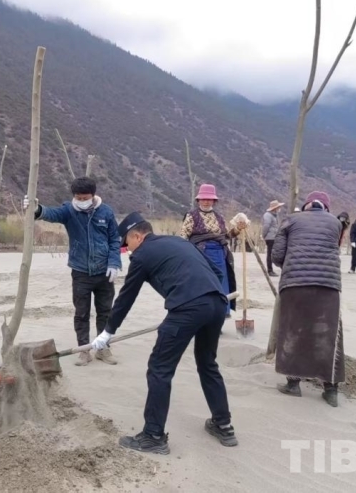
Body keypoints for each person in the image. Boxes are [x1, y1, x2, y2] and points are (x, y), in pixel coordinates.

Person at [91, 212, 238, 455]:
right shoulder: (179, 241)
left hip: (187, 309)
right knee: (208, 364)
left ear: (137, 236)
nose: (128, 251)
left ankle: (153, 436)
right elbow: (216, 271)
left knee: (159, 369)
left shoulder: (142, 255)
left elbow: (126, 297)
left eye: (127, 245)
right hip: (216, 304)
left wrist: (107, 332)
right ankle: (224, 426)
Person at [24, 177, 122, 366]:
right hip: (80, 272)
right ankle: (84, 350)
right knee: (81, 313)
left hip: (104, 272)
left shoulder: (106, 212)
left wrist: (114, 263)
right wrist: (36, 209)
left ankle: (103, 348)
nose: (81, 201)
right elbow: (51, 213)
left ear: (93, 196)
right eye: (78, 197)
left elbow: (114, 240)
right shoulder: (69, 210)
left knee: (105, 312)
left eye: (85, 198)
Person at [272, 191, 344, 407]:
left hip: (295, 283)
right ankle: (331, 390)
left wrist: (292, 265)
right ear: (326, 207)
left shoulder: (290, 220)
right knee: (329, 335)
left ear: (306, 205)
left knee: (294, 331)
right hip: (328, 285)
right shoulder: (336, 223)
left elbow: (277, 256)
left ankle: (293, 384)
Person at [179, 184, 239, 318]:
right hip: (200, 253)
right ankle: (202, 313)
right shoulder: (192, 216)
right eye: (203, 199)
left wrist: (238, 229)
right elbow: (183, 236)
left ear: (214, 201)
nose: (206, 202)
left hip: (219, 253)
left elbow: (226, 236)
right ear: (198, 200)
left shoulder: (219, 217)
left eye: (209, 199)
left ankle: (221, 312)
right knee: (203, 283)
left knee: (221, 282)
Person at [263, 200, 285, 276]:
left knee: (274, 253)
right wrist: (264, 235)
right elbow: (266, 226)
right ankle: (270, 270)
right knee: (270, 254)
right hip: (270, 237)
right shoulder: (268, 215)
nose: (279, 209)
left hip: (274, 237)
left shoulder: (274, 215)